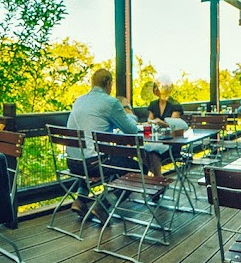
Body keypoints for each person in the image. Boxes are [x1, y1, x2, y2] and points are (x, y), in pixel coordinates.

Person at [68, 69, 167, 200]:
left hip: (73, 163)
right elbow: (131, 130)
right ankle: (106, 204)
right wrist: (128, 111)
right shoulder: (110, 102)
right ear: (109, 83)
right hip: (95, 163)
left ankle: (80, 200)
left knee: (92, 156)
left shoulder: (79, 101)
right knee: (138, 169)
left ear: (93, 83)